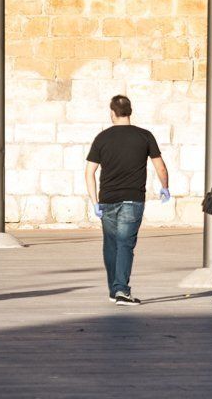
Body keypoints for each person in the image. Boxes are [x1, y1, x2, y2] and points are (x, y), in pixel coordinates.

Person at [85, 95, 170, 306]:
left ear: (112, 113)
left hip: (107, 199)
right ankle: (121, 289)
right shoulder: (144, 136)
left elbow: (89, 172)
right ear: (130, 112)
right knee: (124, 245)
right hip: (133, 200)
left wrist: (94, 201)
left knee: (111, 244)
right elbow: (160, 166)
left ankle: (115, 290)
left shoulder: (102, 138)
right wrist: (164, 187)